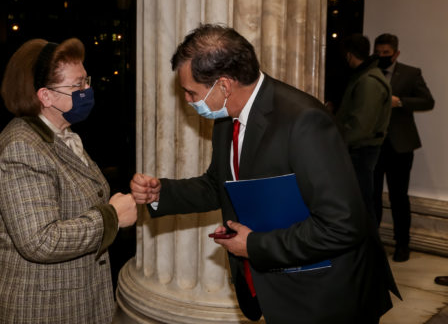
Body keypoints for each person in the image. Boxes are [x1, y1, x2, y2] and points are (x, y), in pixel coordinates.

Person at [130, 24, 400, 324]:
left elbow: (342, 224)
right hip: (283, 285)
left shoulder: (304, 121)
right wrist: (161, 193)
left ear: (224, 86)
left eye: (191, 92)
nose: (187, 100)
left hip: (326, 293)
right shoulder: (226, 119)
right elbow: (219, 185)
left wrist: (253, 245)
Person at [0, 38, 137, 323]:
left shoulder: (61, 136)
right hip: (36, 307)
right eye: (77, 85)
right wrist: (112, 218)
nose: (87, 91)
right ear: (46, 96)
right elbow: (39, 241)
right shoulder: (22, 147)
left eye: (86, 81)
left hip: (69, 299)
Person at [373, 33, 435, 262]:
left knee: (399, 197)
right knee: (372, 196)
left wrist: (400, 102)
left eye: (386, 53)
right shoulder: (369, 72)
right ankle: (373, 244)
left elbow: (428, 101)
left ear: (396, 53)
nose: (381, 56)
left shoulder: (411, 73)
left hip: (400, 146)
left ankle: (402, 244)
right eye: (377, 53)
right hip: (373, 144)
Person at [334, 34, 392, 219]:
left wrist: (335, 141)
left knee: (362, 206)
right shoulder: (365, 76)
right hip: (359, 150)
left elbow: (360, 127)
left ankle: (368, 239)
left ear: (349, 55)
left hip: (361, 151)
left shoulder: (368, 80)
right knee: (359, 204)